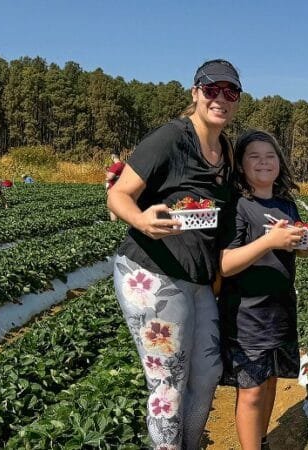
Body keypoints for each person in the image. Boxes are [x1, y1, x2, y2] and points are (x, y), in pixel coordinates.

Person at [107, 59, 242, 449]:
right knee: (168, 381)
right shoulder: (172, 137)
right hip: (151, 272)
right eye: (211, 89)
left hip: (196, 278)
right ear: (195, 92)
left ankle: (190, 443)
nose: (220, 98)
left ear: (237, 99)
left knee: (206, 371)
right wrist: (143, 220)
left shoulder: (225, 151)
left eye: (229, 91)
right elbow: (118, 194)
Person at [218, 130, 308, 450]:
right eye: (254, 156)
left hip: (281, 308)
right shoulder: (238, 207)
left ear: (280, 162)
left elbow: (294, 250)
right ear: (241, 166)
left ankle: (260, 440)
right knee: (251, 390)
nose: (263, 162)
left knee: (271, 378)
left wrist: (305, 243)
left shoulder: (286, 205)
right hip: (247, 313)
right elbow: (225, 264)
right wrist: (269, 241)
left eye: (270, 155)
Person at [105, 151, 126, 221]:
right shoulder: (123, 165)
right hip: (122, 188)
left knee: (112, 206)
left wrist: (107, 174)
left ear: (113, 157)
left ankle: (114, 222)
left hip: (113, 188)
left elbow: (110, 177)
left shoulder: (116, 165)